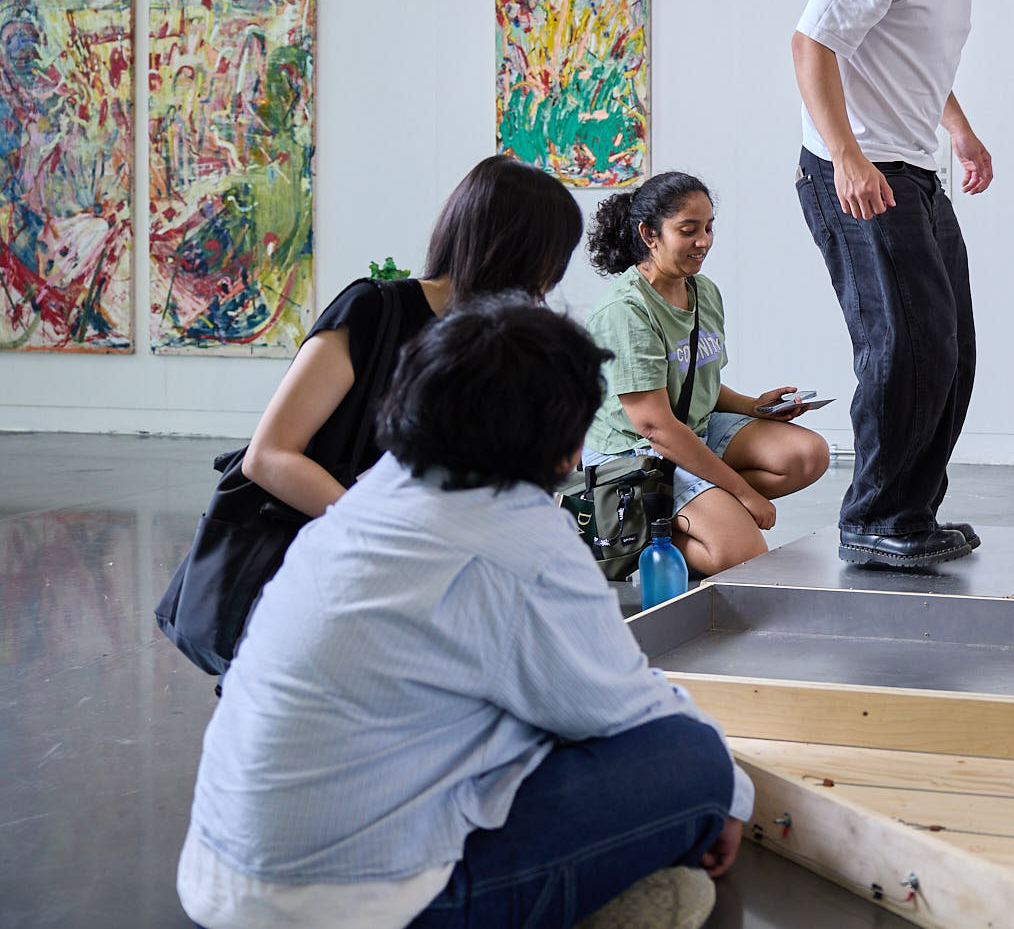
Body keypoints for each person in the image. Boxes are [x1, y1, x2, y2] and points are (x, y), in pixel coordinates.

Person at [178, 295, 751, 929]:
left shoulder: (369, 498)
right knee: (693, 760)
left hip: (218, 881)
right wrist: (731, 786)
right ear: (564, 448)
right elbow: (624, 713)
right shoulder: (519, 536)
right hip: (351, 907)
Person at [791, 0, 1014, 568]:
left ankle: (909, 512)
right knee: (904, 346)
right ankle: (872, 517)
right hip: (856, 169)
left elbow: (911, 56)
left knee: (951, 348)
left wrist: (959, 126)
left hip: (910, 166)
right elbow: (812, 43)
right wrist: (846, 157)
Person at [242, 154, 583, 519]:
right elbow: (269, 456)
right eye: (552, 260)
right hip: (325, 544)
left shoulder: (508, 342)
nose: (551, 280)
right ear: (515, 252)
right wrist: (382, 530)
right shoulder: (373, 311)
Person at [583, 171, 829, 576]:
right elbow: (655, 427)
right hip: (633, 453)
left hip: (690, 431)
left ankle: (704, 505)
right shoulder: (625, 312)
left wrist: (755, 406)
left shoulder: (703, 291)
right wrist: (743, 493)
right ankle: (631, 536)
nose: (704, 241)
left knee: (808, 455)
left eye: (709, 227)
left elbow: (695, 382)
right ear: (649, 234)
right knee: (743, 554)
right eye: (688, 230)